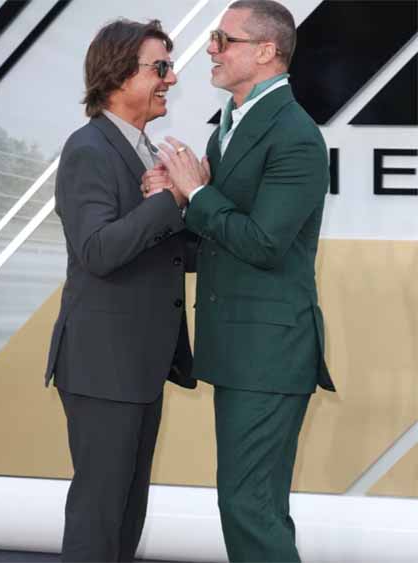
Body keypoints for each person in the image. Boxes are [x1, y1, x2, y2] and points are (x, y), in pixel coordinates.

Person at [153, 1, 333, 561]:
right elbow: (220, 239)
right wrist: (175, 202)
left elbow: (263, 243)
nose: (211, 49)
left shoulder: (295, 135)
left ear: (266, 51)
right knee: (256, 505)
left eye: (223, 39)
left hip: (268, 354)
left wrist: (198, 194)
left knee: (248, 506)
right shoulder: (231, 129)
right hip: (241, 350)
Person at [43, 18, 198, 563]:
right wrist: (169, 201)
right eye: (161, 67)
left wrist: (193, 200)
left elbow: (174, 253)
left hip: (137, 366)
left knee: (126, 517)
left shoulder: (144, 149)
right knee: (99, 520)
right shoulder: (88, 148)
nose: (171, 79)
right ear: (118, 74)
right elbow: (98, 251)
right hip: (103, 366)